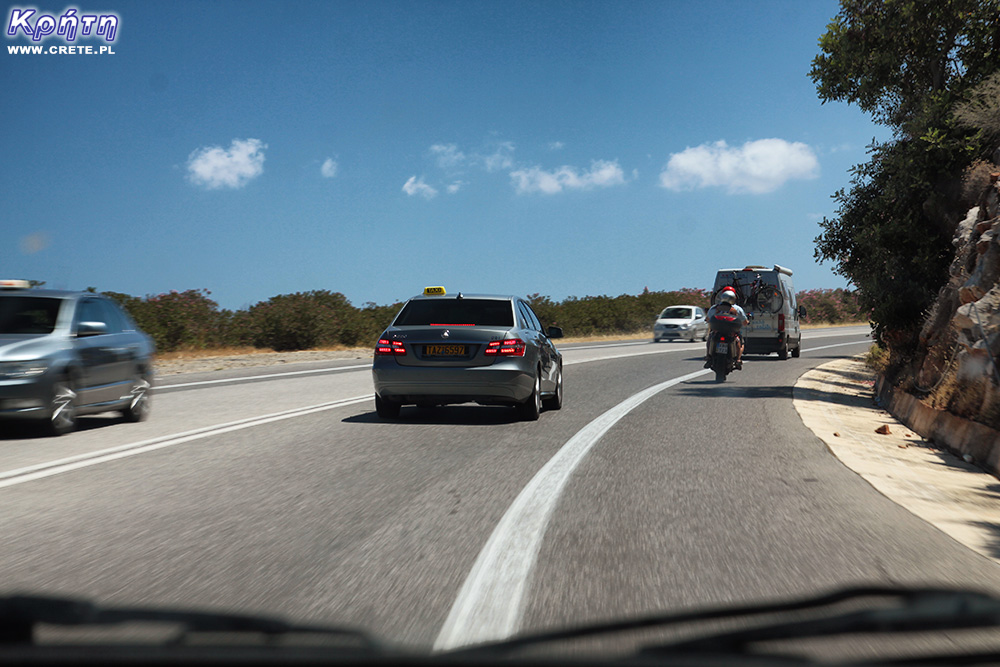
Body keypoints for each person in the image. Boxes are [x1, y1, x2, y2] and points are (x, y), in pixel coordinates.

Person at [704, 287, 748, 369]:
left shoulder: (714, 308)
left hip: (717, 331)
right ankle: (738, 360)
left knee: (710, 338)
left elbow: (708, 319)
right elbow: (744, 322)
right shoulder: (737, 309)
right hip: (731, 333)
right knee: (740, 342)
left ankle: (708, 357)